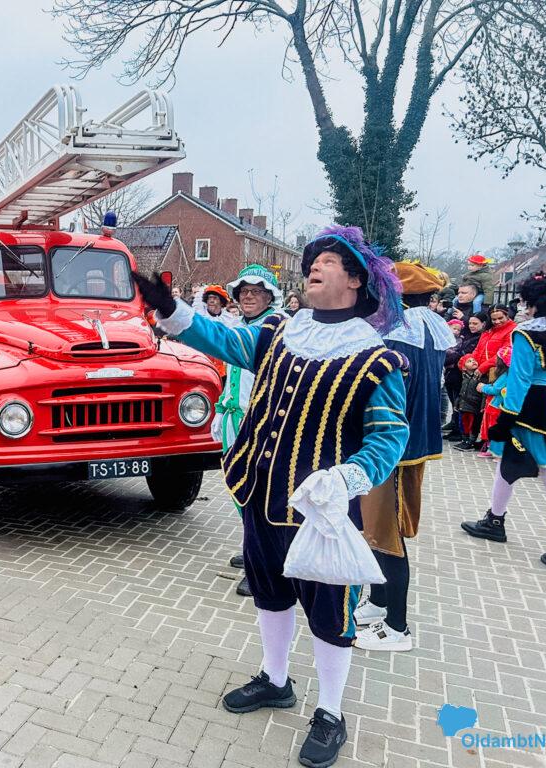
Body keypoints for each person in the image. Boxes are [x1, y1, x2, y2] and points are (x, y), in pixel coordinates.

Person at [135, 225, 409, 768]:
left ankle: (331, 712)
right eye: (313, 259)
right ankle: (275, 679)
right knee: (269, 592)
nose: (315, 265)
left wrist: (348, 478)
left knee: (330, 611)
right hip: (260, 493)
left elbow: (389, 436)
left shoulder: (375, 357)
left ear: (355, 280)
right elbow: (225, 342)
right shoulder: (285, 331)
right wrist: (169, 307)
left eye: (328, 260)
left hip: (319, 511)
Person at [353, 262, 454, 653]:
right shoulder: (428, 329)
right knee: (380, 531)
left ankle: (397, 627)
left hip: (394, 448)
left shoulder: (396, 335)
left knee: (388, 536)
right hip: (414, 444)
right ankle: (378, 603)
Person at [461, 272, 546, 574]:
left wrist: (506, 417)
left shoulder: (526, 333)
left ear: (535, 302)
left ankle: (495, 520)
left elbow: (519, 380)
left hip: (530, 408)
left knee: (509, 462)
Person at [214, 265, 286, 599]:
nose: (249, 297)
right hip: (234, 418)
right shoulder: (238, 327)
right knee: (239, 490)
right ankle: (252, 548)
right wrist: (220, 410)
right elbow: (232, 377)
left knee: (259, 494)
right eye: (244, 292)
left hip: (261, 423)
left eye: (256, 292)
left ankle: (264, 567)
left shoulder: (278, 330)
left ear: (270, 296)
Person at [443, 311, 487, 441]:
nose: (472, 326)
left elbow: (463, 355)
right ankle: (455, 425)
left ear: (483, 324)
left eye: (475, 323)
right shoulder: (466, 335)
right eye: (470, 323)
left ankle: (460, 431)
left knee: (462, 404)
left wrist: (450, 359)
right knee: (455, 401)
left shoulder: (479, 338)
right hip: (453, 373)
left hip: (463, 375)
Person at [477, 347, 511, 458]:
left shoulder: (505, 375)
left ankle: (497, 452)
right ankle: (491, 449)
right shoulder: (507, 374)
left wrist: (483, 387)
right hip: (498, 405)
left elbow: (496, 390)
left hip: (497, 405)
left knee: (494, 427)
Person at [470, 304, 516, 376]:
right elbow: (478, 349)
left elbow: (504, 354)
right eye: (494, 319)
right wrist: (470, 362)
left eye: (500, 318)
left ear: (507, 316)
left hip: (497, 372)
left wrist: (482, 368)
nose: (497, 322)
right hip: (480, 370)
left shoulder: (513, 330)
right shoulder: (488, 330)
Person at [455, 356, 485, 452]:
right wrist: (457, 404)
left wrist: (483, 406)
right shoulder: (465, 378)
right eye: (469, 361)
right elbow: (461, 392)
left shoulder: (480, 377)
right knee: (463, 424)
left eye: (474, 360)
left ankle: (471, 441)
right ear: (464, 367)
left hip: (474, 406)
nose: (473, 362)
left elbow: (484, 394)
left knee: (473, 425)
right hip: (464, 406)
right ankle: (465, 440)